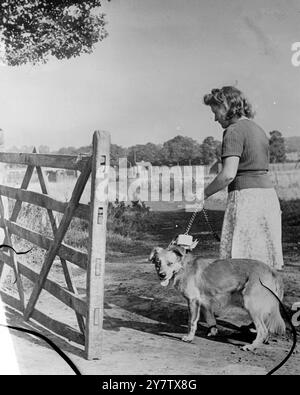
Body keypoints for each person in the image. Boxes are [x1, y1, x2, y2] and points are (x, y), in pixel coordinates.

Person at [202, 86, 284, 271]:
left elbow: (228, 174)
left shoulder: (233, 131)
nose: (215, 118)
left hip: (247, 199)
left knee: (240, 265)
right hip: (268, 199)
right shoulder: (258, 129)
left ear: (226, 106)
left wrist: (202, 195)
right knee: (263, 263)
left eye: (216, 112)